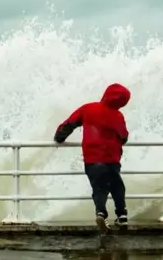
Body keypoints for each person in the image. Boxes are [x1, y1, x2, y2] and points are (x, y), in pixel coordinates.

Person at [53, 83, 130, 232]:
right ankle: (122, 216)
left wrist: (59, 137)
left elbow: (69, 124)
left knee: (99, 188)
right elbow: (124, 137)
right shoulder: (118, 115)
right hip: (112, 159)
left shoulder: (88, 108)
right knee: (117, 187)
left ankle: (101, 213)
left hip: (93, 159)